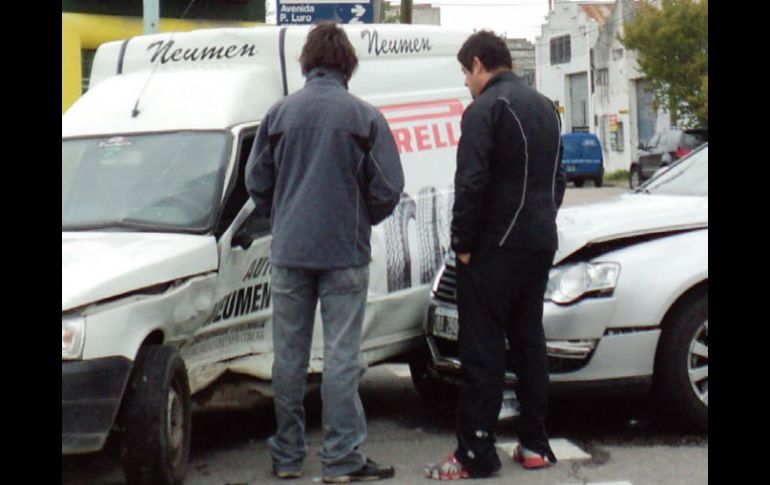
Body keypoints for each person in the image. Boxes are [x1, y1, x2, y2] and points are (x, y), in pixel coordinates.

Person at [245, 21, 404, 484]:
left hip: (290, 250)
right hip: (345, 252)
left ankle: (288, 457)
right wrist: (361, 219)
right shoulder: (364, 118)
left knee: (288, 358)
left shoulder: (277, 116)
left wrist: (283, 214)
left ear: (307, 63)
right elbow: (389, 187)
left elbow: (256, 182)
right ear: (347, 65)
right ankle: (340, 460)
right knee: (341, 357)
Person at [426, 30, 566, 480]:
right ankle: (534, 444)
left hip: (493, 247)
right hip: (539, 241)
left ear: (481, 64)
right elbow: (556, 182)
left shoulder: (484, 110)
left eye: (467, 72)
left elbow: (471, 182)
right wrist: (539, 222)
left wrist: (462, 244)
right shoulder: (546, 108)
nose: (466, 82)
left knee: (482, 350)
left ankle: (475, 452)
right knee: (529, 341)